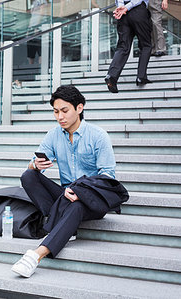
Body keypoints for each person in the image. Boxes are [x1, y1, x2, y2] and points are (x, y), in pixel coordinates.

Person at [11, 85, 126, 278]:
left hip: (93, 198)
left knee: (76, 206)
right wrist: (36, 164)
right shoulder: (54, 135)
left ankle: (36, 255)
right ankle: (63, 225)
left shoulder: (98, 136)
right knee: (28, 175)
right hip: (65, 194)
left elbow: (108, 176)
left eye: (64, 111)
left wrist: (80, 190)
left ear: (79, 108)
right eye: (56, 112)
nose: (59, 117)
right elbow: (33, 164)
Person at [105, 0, 152, 93]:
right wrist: (126, 7)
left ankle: (112, 76)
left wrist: (122, 6)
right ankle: (141, 77)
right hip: (138, 11)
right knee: (145, 45)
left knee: (123, 46)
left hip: (124, 14)